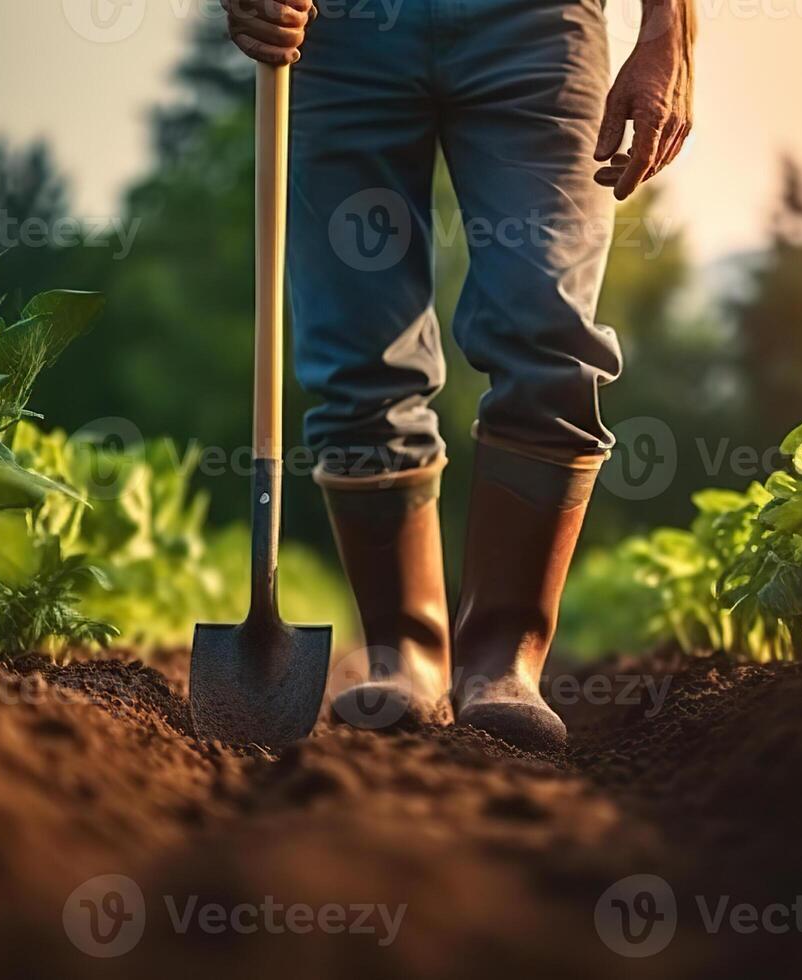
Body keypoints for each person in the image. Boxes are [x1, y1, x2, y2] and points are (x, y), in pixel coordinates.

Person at [223, 0, 696, 750]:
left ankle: (505, 659)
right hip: (339, 31)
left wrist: (669, 31)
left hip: (536, 26)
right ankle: (401, 647)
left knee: (548, 336)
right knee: (355, 352)